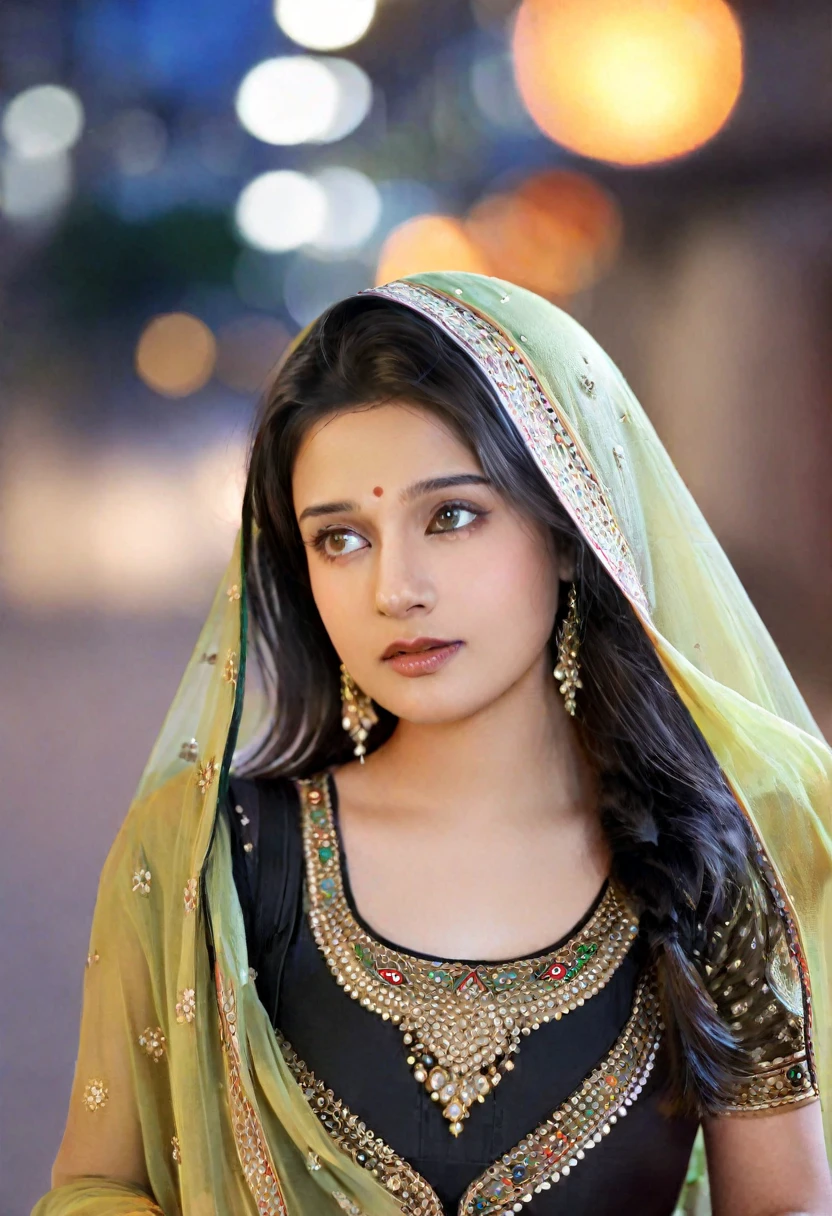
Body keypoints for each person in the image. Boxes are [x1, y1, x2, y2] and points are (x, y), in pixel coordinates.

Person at [34, 273, 832, 1216]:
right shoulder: (209, 858)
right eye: (341, 538)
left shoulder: (708, 865)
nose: (394, 589)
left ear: (570, 533)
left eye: (450, 517)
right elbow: (97, 1185)